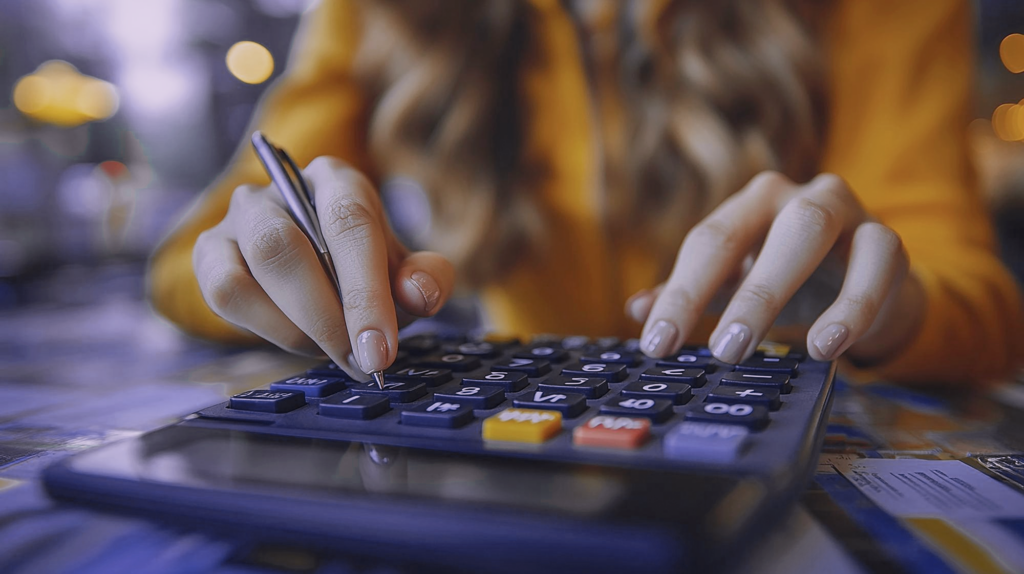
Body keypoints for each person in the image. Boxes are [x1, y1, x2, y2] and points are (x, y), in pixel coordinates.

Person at [149, 0, 1022, 384]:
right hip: (503, 466)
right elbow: (193, 266)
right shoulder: (376, 7)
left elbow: (985, 313)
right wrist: (266, 260)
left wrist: (890, 308)